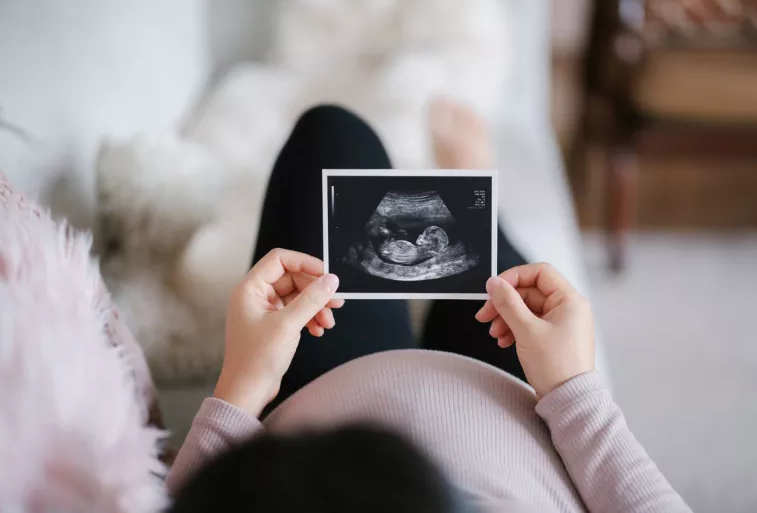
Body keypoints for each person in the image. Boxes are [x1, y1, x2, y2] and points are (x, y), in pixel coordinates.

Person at [167, 100, 691, 513]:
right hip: (525, 400)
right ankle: (475, 190)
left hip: (307, 395)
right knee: (500, 273)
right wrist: (575, 392)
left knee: (333, 134)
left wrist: (241, 387)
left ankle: (471, 199)